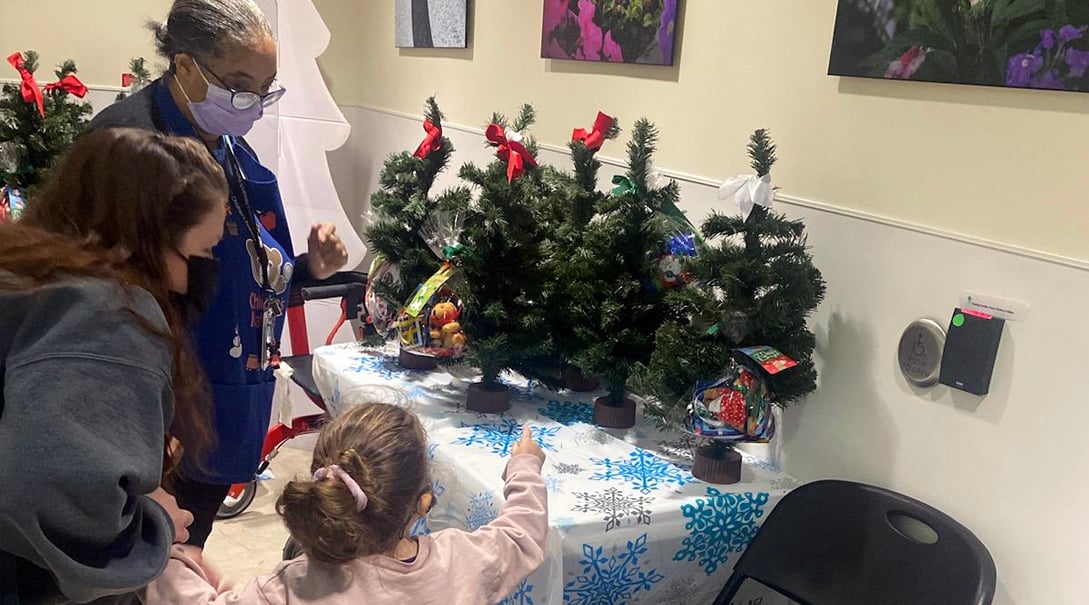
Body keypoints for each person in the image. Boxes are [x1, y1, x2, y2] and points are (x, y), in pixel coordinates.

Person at [87, 0, 350, 557]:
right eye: (238, 84)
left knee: (186, 546)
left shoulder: (226, 142)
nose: (252, 103)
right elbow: (97, 309)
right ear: (184, 66)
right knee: (145, 559)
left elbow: (241, 266)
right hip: (158, 413)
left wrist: (305, 270)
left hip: (226, 394)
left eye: (266, 87)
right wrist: (142, 440)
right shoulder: (128, 148)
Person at [0, 128, 228, 603]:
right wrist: (154, 522)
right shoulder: (108, 314)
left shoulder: (30, 275)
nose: (199, 278)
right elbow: (66, 503)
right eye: (201, 253)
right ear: (147, 237)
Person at [143, 403, 549, 604]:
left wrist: (162, 536)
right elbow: (521, 533)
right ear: (423, 502)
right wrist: (525, 466)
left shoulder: (291, 588)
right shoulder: (464, 559)